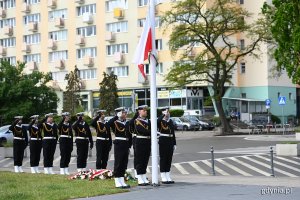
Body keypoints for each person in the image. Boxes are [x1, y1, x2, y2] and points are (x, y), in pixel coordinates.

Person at [108, 107, 132, 189]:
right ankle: (117, 181)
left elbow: (129, 134)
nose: (125, 114)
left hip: (125, 143)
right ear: (119, 114)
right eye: (123, 113)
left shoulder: (126, 122)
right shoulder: (115, 122)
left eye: (125, 113)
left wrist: (130, 145)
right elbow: (107, 124)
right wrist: (116, 116)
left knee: (124, 163)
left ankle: (122, 180)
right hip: (119, 143)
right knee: (118, 162)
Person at [157, 107, 176, 184]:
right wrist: (162, 116)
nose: (168, 113)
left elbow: (173, 133)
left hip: (170, 140)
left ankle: (168, 174)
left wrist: (174, 143)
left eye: (168, 112)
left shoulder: (170, 121)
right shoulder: (160, 120)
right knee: (163, 158)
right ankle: (163, 175)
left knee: (169, 158)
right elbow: (157, 122)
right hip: (163, 140)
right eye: (166, 112)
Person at [134, 105, 151, 186]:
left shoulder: (148, 121)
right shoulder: (137, 121)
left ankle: (143, 176)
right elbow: (142, 130)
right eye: (144, 110)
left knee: (145, 160)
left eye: (146, 110)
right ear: (139, 112)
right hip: (140, 141)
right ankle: (140, 178)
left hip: (147, 141)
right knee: (140, 160)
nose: (146, 112)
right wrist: (152, 132)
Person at [129, 108, 139, 179]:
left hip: (144, 140)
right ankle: (136, 174)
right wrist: (136, 115)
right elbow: (130, 123)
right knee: (137, 157)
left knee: (143, 158)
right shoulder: (134, 120)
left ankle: (141, 174)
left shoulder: (144, 120)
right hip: (136, 139)